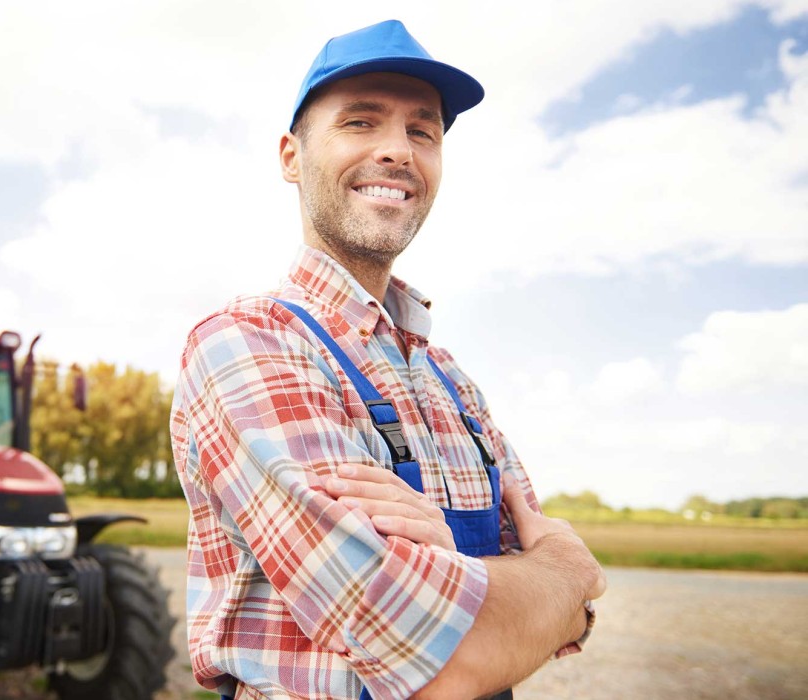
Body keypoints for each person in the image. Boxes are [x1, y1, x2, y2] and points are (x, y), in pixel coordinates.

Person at [170, 19, 604, 700]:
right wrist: (558, 570)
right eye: (361, 122)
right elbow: (445, 656)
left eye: (421, 131)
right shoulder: (248, 344)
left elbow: (570, 622)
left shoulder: (450, 379)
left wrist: (462, 569)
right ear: (291, 157)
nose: (398, 151)